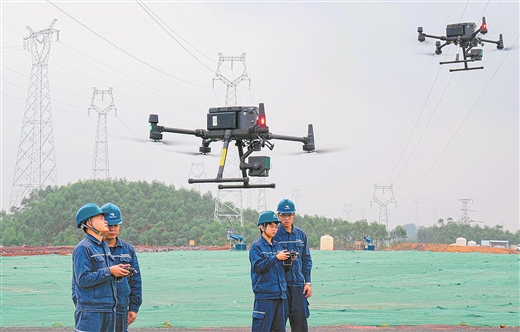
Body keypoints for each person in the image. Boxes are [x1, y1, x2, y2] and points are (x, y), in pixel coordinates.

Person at [72, 203, 132, 332]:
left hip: (110, 309)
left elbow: (104, 276)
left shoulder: (103, 247)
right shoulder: (83, 248)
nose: (106, 221)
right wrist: (110, 271)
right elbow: (82, 279)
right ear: (89, 223)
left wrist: (120, 270)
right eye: (101, 219)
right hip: (91, 313)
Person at [101, 202, 143, 332]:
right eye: (109, 225)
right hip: (99, 309)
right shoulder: (92, 249)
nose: (112, 229)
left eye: (115, 225)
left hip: (121, 308)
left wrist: (134, 308)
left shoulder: (128, 250)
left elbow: (135, 280)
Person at [273, 198, 313, 332]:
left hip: (298, 286)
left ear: (294, 215)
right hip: (280, 286)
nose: (286, 218)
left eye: (289, 215)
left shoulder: (301, 235)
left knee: (300, 323)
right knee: (278, 324)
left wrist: (308, 282)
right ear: (278, 215)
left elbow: (306, 259)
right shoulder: (274, 235)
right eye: (283, 215)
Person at [249, 210, 291, 332]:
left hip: (279, 295)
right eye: (271, 226)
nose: (274, 229)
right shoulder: (256, 247)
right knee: (261, 329)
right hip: (265, 296)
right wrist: (276, 258)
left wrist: (289, 261)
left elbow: (283, 270)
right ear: (262, 227)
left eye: (276, 227)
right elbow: (258, 267)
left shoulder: (278, 246)